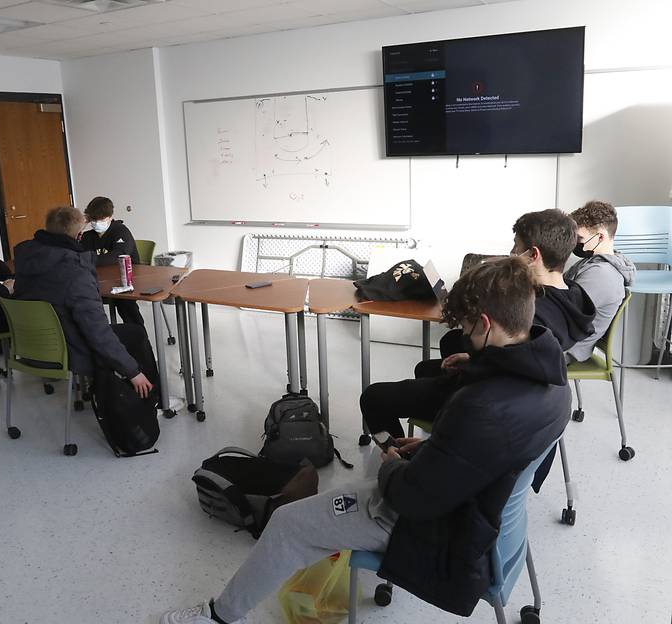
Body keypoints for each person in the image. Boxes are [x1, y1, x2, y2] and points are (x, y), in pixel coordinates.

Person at [159, 257, 571, 623]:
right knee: (349, 494)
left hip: (441, 527)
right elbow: (490, 452)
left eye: (465, 328)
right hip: (485, 515)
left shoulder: (482, 408)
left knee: (288, 523)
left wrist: (392, 459)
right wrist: (431, 447)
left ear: (484, 324)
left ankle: (219, 617)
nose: (463, 338)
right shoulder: (553, 379)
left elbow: (412, 498)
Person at [412, 208, 596, 380]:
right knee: (451, 342)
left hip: (498, 382)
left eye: (516, 246)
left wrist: (473, 361)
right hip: (523, 372)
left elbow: (507, 364)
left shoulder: (533, 310)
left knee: (426, 366)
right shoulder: (573, 293)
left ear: (533, 255)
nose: (512, 253)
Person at [13, 206, 155, 398]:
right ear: (79, 235)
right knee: (135, 333)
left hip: (31, 348)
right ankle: (153, 395)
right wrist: (133, 372)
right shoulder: (75, 273)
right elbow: (97, 331)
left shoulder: (25, 259)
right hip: (69, 349)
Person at [565, 200, 635, 362]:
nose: (576, 243)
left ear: (600, 237)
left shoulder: (601, 274)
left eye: (580, 238)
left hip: (566, 348)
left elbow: (564, 313)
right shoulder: (591, 262)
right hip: (564, 339)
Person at [80, 196, 145, 326]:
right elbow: (77, 256)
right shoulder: (87, 236)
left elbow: (118, 255)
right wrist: (79, 227)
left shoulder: (121, 231)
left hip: (125, 280)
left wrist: (88, 260)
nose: (97, 222)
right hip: (98, 281)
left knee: (125, 304)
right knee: (83, 300)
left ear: (110, 217)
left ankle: (140, 338)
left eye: (101, 219)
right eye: (93, 219)